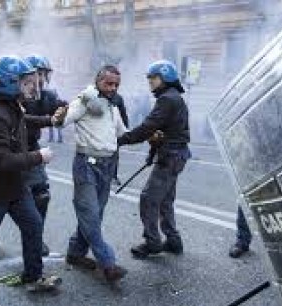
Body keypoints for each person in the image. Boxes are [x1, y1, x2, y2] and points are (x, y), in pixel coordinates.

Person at [0, 56, 63, 306]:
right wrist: (39, 156)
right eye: (26, 82)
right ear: (9, 84)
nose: (32, 86)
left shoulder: (10, 108)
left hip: (16, 188)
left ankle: (33, 277)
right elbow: (1, 161)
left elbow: (24, 122)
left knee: (34, 225)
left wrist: (51, 120)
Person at [118, 60, 191, 259]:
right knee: (165, 200)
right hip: (175, 155)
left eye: (154, 78)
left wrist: (122, 140)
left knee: (148, 199)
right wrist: (152, 154)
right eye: (149, 78)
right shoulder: (173, 97)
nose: (150, 82)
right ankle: (173, 241)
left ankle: (152, 242)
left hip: (171, 156)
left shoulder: (167, 99)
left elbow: (149, 127)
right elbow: (161, 132)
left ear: (165, 78)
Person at [62, 65, 128, 282]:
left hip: (106, 167)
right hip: (86, 165)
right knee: (90, 214)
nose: (112, 88)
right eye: (108, 83)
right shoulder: (84, 100)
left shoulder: (113, 106)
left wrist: (151, 135)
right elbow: (63, 120)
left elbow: (122, 134)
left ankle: (75, 252)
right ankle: (107, 263)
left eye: (116, 84)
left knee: (94, 214)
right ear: (98, 81)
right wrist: (59, 115)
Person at [24, 54, 68, 256]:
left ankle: (36, 240)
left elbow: (63, 106)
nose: (40, 79)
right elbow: (21, 119)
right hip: (7, 151)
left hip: (31, 148)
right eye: (37, 74)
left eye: (43, 74)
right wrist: (48, 120)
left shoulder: (47, 96)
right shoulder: (15, 94)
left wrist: (86, 102)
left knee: (41, 194)